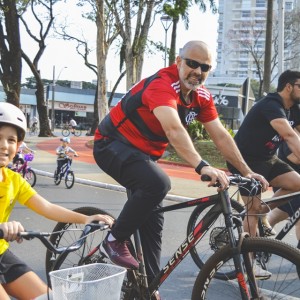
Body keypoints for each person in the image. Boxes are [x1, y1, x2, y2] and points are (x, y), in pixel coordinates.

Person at [93, 40, 268, 297]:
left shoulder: (202, 97)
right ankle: (114, 240)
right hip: (111, 145)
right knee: (158, 184)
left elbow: (220, 134)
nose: (197, 71)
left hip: (142, 156)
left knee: (153, 222)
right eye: (192, 63)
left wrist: (245, 171)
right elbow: (173, 129)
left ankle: (147, 289)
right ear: (178, 61)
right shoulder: (162, 85)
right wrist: (202, 166)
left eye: (204, 67)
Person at [0, 102, 114, 300]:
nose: (4, 145)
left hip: (2, 256)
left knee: (50, 298)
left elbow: (46, 207)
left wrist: (85, 219)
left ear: (18, 146)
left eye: (11, 140)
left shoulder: (14, 180)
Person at [227, 70, 300, 240]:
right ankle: (250, 265)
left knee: (297, 184)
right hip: (245, 160)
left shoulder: (294, 109)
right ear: (289, 87)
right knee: (251, 213)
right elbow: (290, 136)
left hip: (268, 158)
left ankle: (261, 211)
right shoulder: (271, 105)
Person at [267, 141, 300, 249]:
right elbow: (295, 158)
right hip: (289, 185)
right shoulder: (289, 136)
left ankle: (258, 241)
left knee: (278, 214)